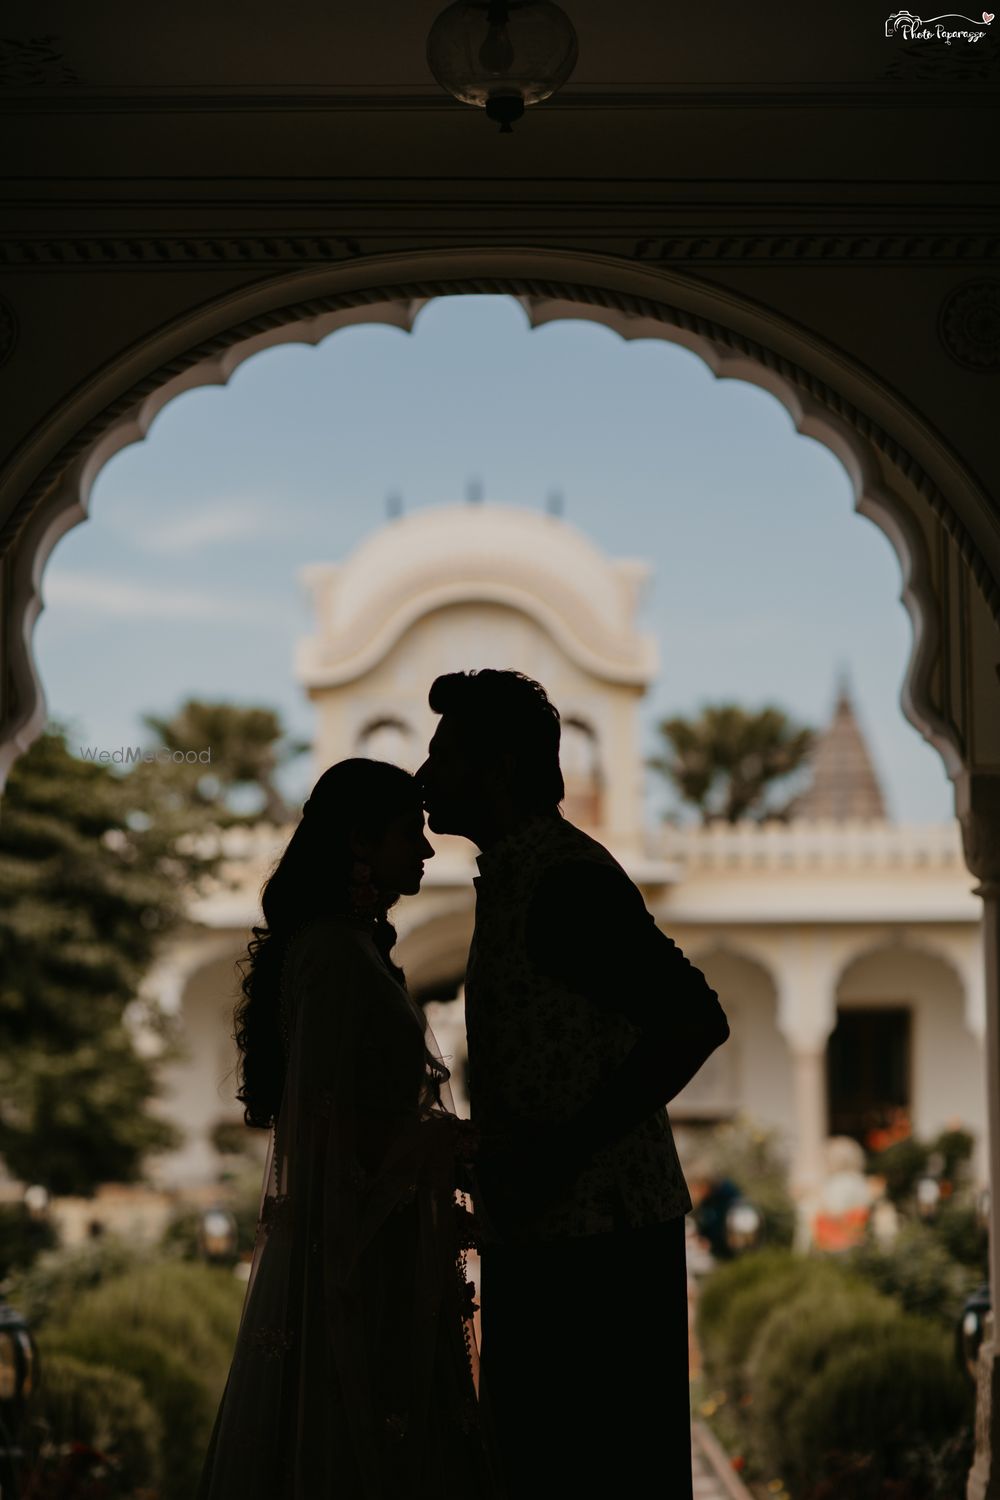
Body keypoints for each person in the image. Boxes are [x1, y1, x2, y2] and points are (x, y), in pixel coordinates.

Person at [417, 670, 731, 1500]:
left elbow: (694, 1019)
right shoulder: (523, 878)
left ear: (502, 769)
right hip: (554, 1228)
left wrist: (564, 1153)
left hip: (601, 1238)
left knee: (591, 1461)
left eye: (443, 758)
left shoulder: (565, 883)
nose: (423, 779)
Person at [195, 758, 502, 1500]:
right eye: (410, 835)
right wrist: (456, 1148)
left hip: (377, 1236)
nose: (427, 852)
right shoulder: (334, 954)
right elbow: (334, 1134)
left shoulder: (352, 948)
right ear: (360, 843)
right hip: (360, 1248)